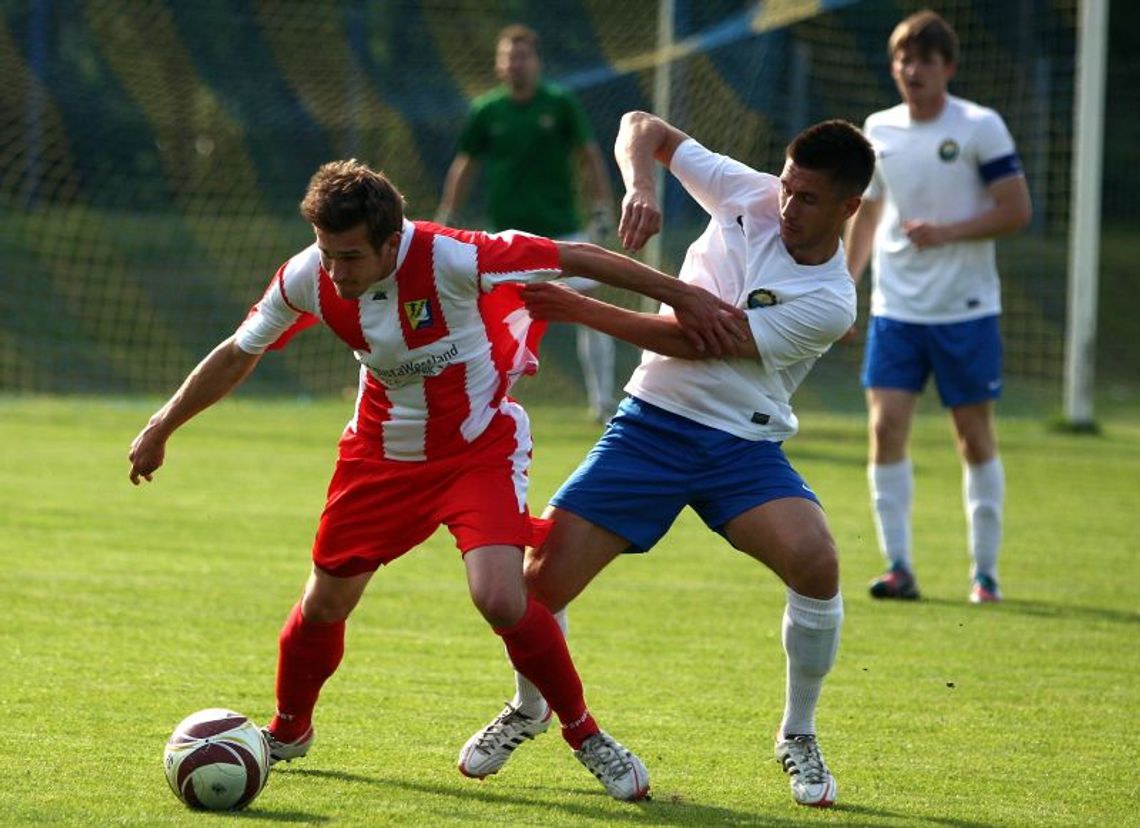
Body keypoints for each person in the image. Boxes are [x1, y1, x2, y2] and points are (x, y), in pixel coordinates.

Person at [127, 159, 743, 802]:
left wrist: (683, 295)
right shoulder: (308, 276)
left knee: (500, 597)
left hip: (478, 449)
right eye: (325, 251)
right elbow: (238, 351)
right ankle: (287, 730)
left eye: (350, 256)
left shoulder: (454, 258)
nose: (335, 272)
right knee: (324, 604)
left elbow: (577, 256)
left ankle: (584, 733)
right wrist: (162, 425)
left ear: (392, 241)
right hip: (379, 456)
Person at [455, 111, 876, 809]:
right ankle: (531, 708)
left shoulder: (831, 300)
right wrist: (641, 186)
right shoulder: (751, 194)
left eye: (808, 198)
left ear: (849, 207)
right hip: (651, 426)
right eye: (787, 187)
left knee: (818, 561)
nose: (787, 205)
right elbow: (640, 125)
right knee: (535, 586)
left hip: (741, 445)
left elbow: (702, 339)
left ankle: (797, 733)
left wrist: (579, 309)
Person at [844, 9, 1032, 604]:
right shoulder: (878, 128)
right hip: (896, 311)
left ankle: (985, 575)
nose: (912, 69)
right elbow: (868, 214)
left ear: (947, 67)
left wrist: (947, 232)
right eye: (903, 58)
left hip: (966, 309)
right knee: (885, 428)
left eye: (924, 59)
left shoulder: (980, 126)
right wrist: (846, 287)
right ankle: (898, 566)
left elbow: (1016, 209)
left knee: (973, 437)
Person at [436, 23, 619, 424]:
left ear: (536, 62)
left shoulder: (560, 103)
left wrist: (602, 206)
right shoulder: (486, 110)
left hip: (564, 232)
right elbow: (465, 164)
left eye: (523, 56)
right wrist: (449, 214)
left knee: (593, 314)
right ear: (499, 65)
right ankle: (487, 403)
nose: (516, 64)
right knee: (491, 323)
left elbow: (589, 154)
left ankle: (604, 403)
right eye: (508, 57)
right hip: (508, 242)